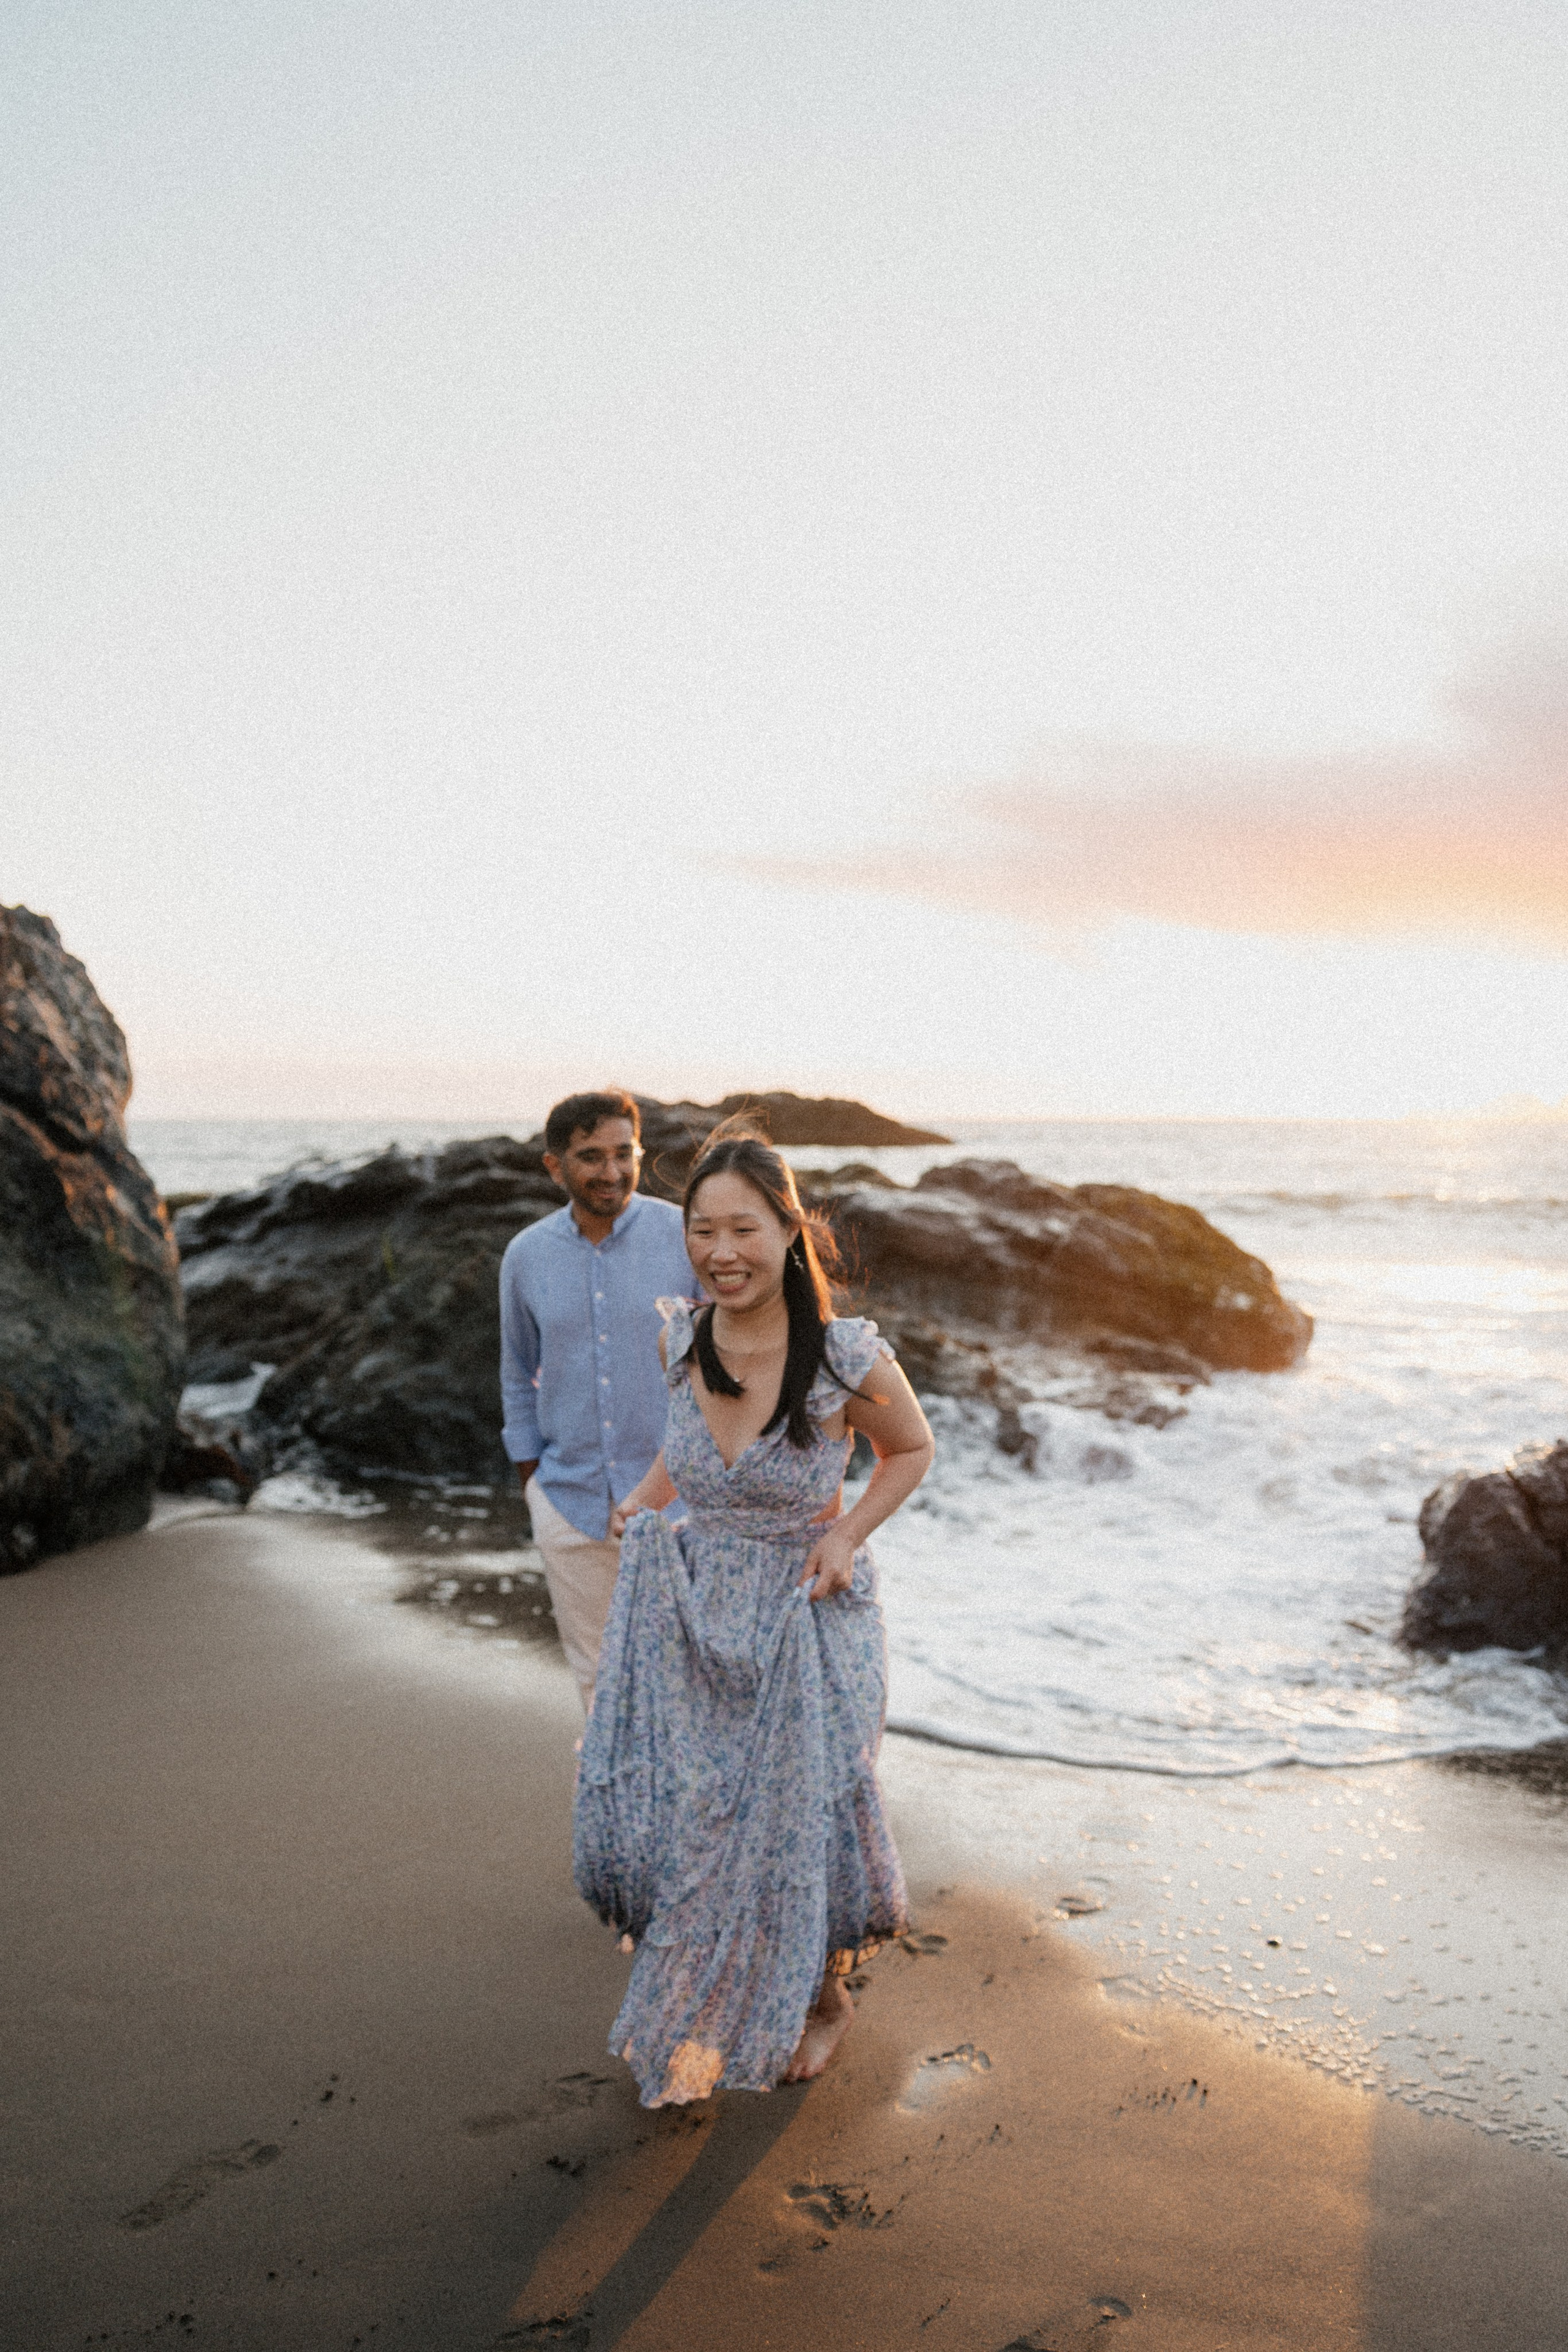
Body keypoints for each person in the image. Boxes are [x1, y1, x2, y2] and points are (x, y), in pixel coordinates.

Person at [573, 1125, 935, 2106]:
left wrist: (847, 1533)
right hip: (699, 1616)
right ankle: (707, 1987)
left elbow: (910, 1450)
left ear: (789, 1230)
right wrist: (646, 1503)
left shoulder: (844, 1354)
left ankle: (822, 2001)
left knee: (802, 1820)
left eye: (743, 1230)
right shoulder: (681, 1338)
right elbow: (686, 1452)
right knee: (701, 1819)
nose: (720, 1253)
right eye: (701, 1232)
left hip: (810, 1615)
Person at [499, 1090, 698, 1711]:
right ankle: (613, 1807)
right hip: (569, 1502)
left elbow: (728, 1361)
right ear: (554, 1166)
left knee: (688, 1678)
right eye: (590, 1157)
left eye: (623, 1154)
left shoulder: (685, 1235)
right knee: (597, 1679)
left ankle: (685, 1810)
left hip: (679, 1507)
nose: (610, 1172)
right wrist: (533, 1477)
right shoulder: (525, 1255)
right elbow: (516, 1369)